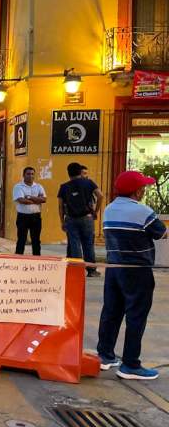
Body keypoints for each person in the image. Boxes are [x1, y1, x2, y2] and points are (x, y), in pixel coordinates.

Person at [97, 171, 168, 380]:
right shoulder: (143, 211)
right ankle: (130, 364)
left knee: (111, 312)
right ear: (137, 191)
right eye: (143, 188)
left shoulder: (109, 209)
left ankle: (105, 355)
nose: (144, 190)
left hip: (114, 268)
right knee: (136, 316)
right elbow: (161, 233)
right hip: (137, 271)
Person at [58, 162, 103, 277]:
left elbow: (60, 206)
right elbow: (100, 195)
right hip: (87, 217)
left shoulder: (64, 187)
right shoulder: (89, 183)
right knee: (88, 244)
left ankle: (77, 270)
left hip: (71, 219)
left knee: (74, 244)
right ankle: (91, 270)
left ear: (68, 173)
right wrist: (95, 211)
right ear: (80, 171)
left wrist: (62, 221)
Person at [13, 167, 46, 255]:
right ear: (23, 175)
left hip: (36, 216)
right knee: (21, 239)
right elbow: (21, 200)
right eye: (28, 174)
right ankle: (18, 259)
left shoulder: (39, 186)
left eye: (32, 174)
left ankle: (37, 259)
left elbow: (43, 199)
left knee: (36, 240)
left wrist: (30, 197)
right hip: (23, 217)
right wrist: (37, 200)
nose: (30, 176)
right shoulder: (18, 186)